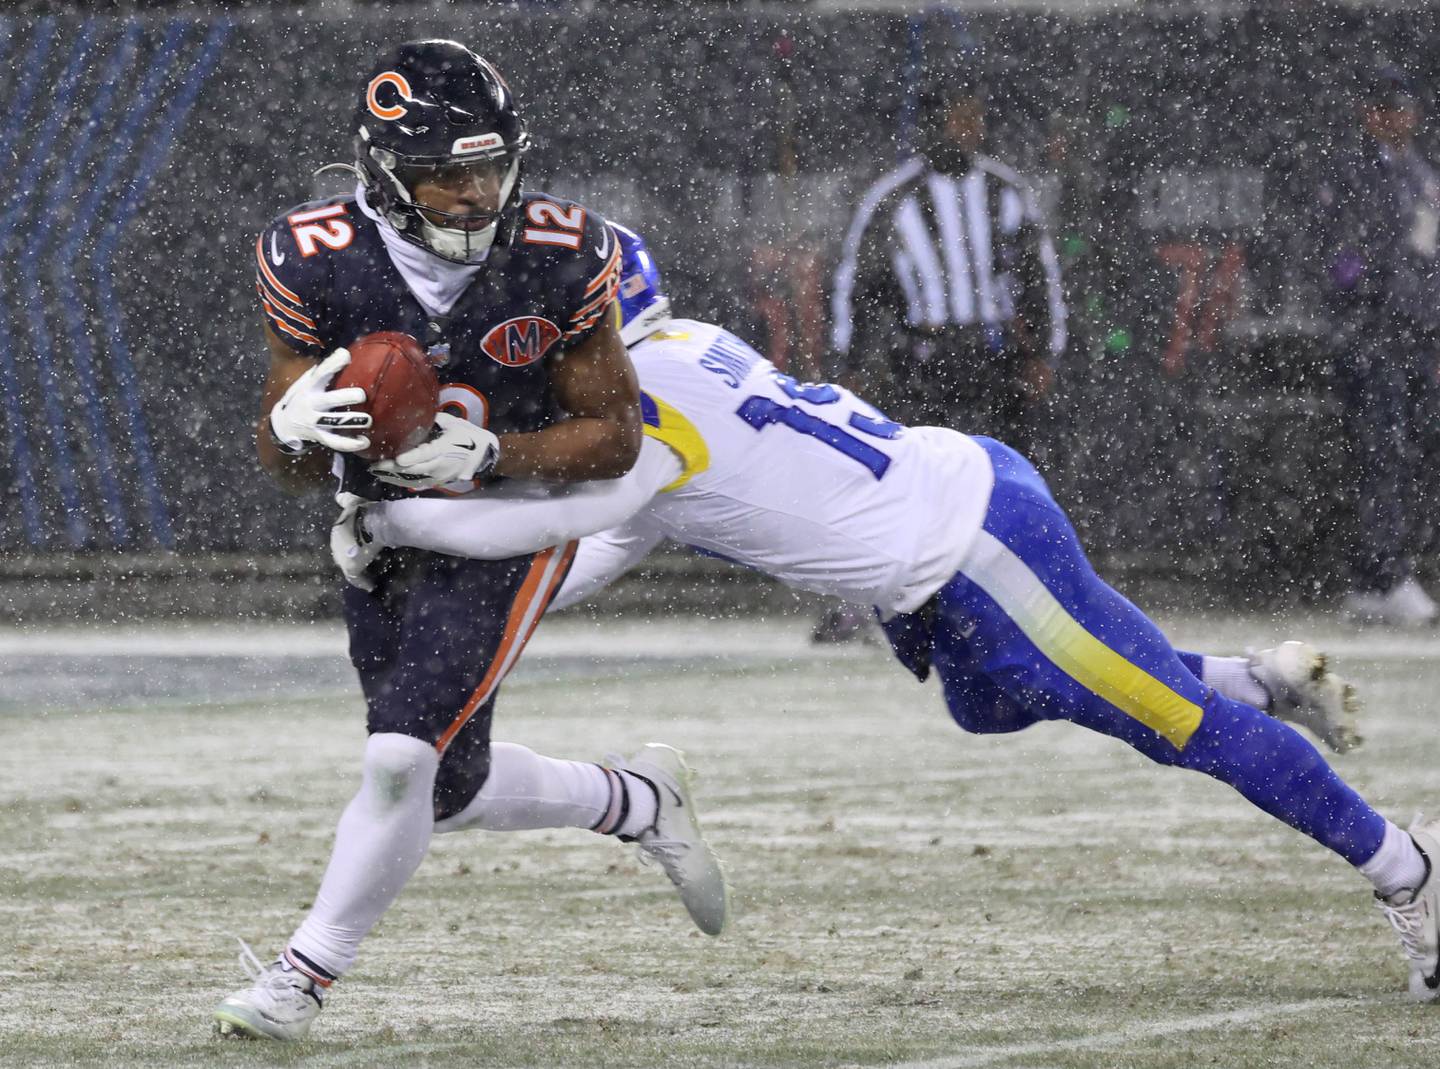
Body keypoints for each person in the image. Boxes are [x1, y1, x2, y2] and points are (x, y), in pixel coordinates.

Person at [334, 225, 1440, 1003]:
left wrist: (397, 523)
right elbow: (593, 546)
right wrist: (470, 598)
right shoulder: (680, 361)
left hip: (971, 551)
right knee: (998, 709)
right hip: (947, 538)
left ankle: (1408, 870)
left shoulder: (653, 405)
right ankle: (1259, 679)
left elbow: (552, 522)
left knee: (1173, 727)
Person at [213, 41, 728, 1042]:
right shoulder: (315, 257)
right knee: (447, 786)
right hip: (387, 532)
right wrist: (292, 429)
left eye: (488, 166)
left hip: (510, 523)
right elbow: (287, 459)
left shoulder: (559, 252)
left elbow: (619, 441)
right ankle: (633, 800)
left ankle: (299, 978)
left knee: (401, 753)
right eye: (446, 171)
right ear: (384, 174)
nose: (474, 191)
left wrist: (491, 452)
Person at [816, 76, 1066, 644]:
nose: (968, 129)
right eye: (957, 117)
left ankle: (1024, 602)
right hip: (928, 361)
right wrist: (849, 361)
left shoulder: (1005, 191)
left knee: (1005, 482)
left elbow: (1038, 274)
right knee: (916, 486)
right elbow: (858, 282)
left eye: (975, 117)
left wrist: (1044, 352)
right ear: (932, 125)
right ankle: (895, 607)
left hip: (991, 356)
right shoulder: (893, 196)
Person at [1320, 64, 1440, 627]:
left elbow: (1425, 256)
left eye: (1403, 107)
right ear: (1369, 114)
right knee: (1380, 453)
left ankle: (1384, 572)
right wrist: (1367, 298)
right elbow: (1341, 256)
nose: (1396, 118)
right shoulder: (1351, 173)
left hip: (1413, 336)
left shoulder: (1420, 175)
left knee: (1407, 452)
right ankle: (1381, 575)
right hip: (1373, 337)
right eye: (1385, 107)